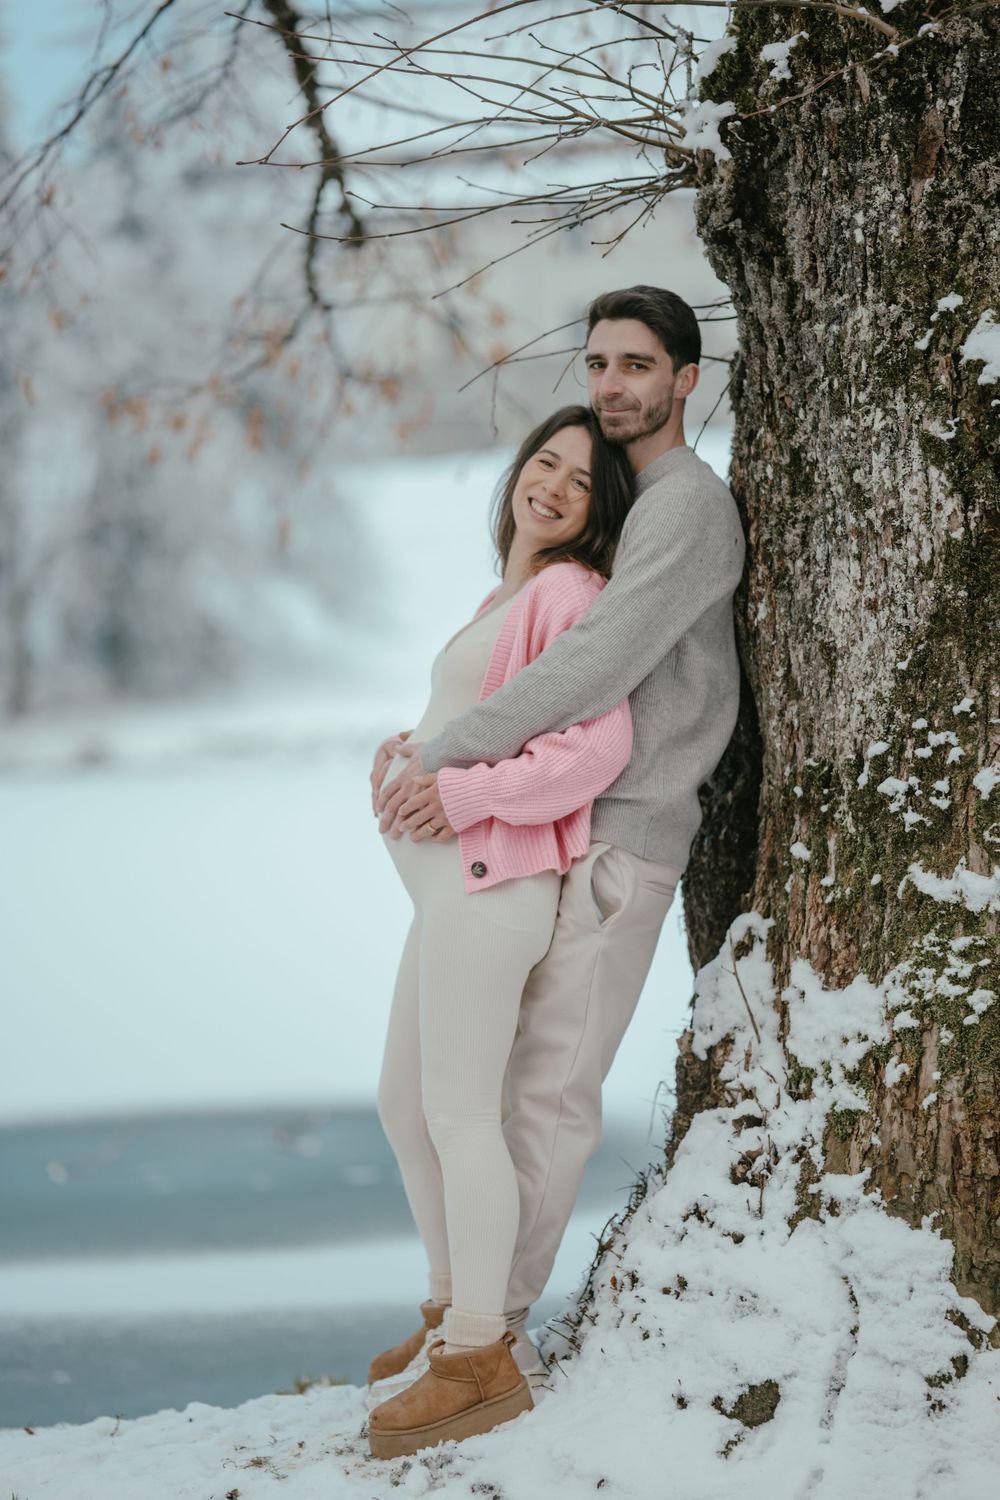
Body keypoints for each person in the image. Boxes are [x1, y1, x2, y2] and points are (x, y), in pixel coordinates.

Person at [375, 285, 746, 1381]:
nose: (612, 385)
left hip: (624, 841)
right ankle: (465, 1317)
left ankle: (490, 1343)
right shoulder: (638, 498)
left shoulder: (682, 505)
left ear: (686, 379)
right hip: (577, 836)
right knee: (484, 1094)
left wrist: (452, 759)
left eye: (636, 365)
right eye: (596, 364)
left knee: (543, 1100)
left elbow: (591, 671)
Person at [365, 405, 636, 1460]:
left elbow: (592, 752)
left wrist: (462, 794)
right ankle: (449, 1317)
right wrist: (406, 759)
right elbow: (475, 727)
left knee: (462, 1114)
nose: (555, 486)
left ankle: (482, 1353)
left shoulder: (572, 593)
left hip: (493, 890)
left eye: (581, 480)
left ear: (597, 512)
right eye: (545, 462)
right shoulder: (509, 596)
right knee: (404, 1102)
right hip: (448, 896)